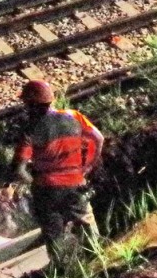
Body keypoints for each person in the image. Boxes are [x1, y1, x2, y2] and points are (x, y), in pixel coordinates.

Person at [10, 80, 104, 267]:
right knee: (85, 222)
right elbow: (98, 138)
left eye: (27, 104)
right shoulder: (74, 117)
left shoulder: (30, 130)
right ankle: (99, 263)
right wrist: (87, 166)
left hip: (47, 191)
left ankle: (63, 273)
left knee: (54, 236)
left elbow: (18, 169)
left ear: (32, 105)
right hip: (76, 184)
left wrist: (34, 182)